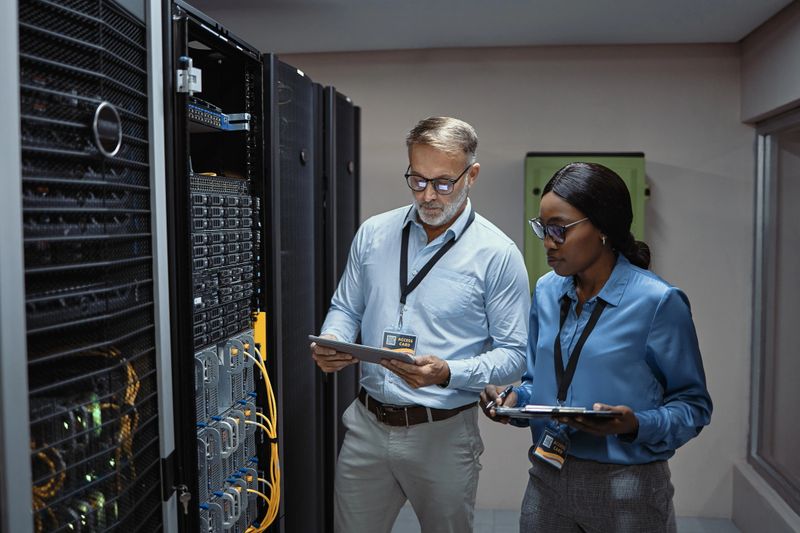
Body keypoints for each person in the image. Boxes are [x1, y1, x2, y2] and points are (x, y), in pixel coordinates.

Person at [311, 116, 530, 533]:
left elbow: (514, 356)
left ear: (472, 175)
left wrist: (448, 372)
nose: (428, 194)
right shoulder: (373, 233)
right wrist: (333, 339)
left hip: (443, 435)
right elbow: (345, 308)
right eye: (417, 179)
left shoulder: (497, 254)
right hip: (367, 426)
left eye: (444, 182)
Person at [481, 162, 712, 532]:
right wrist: (515, 400)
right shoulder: (545, 291)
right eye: (542, 228)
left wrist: (634, 424)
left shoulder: (658, 302)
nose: (548, 242)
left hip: (627, 486)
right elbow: (536, 381)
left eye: (560, 229)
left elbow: (694, 407)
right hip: (547, 477)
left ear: (603, 227)